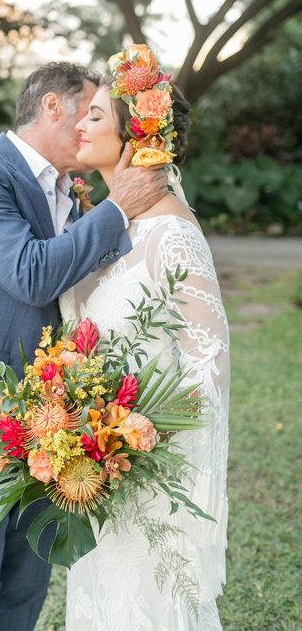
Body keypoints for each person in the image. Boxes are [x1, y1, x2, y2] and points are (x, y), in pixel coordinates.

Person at [0, 61, 169, 631]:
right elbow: (29, 274)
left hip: (55, 413)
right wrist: (118, 207)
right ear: (53, 105)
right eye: (90, 111)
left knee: (26, 583)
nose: (92, 130)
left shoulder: (72, 195)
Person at [59, 45, 230, 630]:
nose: (80, 123)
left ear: (137, 137)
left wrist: (133, 437)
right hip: (94, 467)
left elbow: (207, 363)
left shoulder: (170, 233)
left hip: (145, 468)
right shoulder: (106, 223)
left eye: (96, 116)